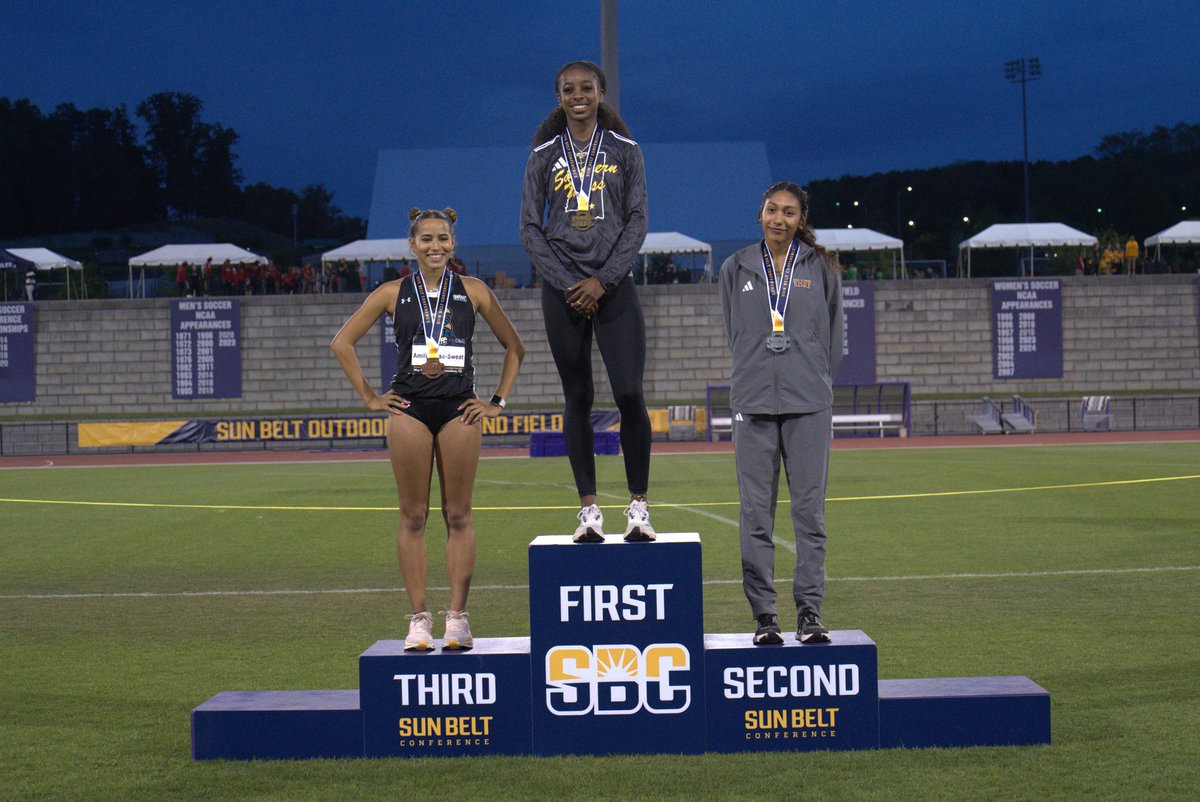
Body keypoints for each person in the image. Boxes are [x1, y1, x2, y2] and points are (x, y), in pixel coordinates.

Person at [331, 207, 524, 651]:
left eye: (443, 239)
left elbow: (516, 347)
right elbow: (341, 342)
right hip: (409, 410)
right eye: (426, 239)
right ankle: (419, 619)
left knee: (458, 515)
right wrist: (370, 397)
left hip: (461, 410)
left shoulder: (473, 291)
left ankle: (457, 619)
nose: (435, 246)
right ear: (412, 245)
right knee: (413, 516)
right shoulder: (390, 293)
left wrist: (496, 402)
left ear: (453, 244)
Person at [520, 59, 655, 543]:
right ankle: (589, 511)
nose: (578, 95)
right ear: (558, 97)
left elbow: (637, 219)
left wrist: (603, 279)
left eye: (586, 87)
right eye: (568, 89)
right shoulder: (541, 155)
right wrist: (565, 284)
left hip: (613, 286)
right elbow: (530, 227)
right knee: (577, 396)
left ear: (601, 92)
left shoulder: (626, 151)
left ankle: (638, 507)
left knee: (629, 394)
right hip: (562, 292)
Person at [718, 181, 844, 646]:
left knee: (809, 513)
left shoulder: (821, 267)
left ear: (800, 220)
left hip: (809, 402)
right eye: (772, 210)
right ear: (760, 213)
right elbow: (735, 331)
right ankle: (764, 616)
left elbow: (835, 337)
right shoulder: (736, 267)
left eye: (789, 213)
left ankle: (810, 612)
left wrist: (810, 375)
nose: (779, 219)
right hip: (752, 403)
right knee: (755, 514)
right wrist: (758, 368)